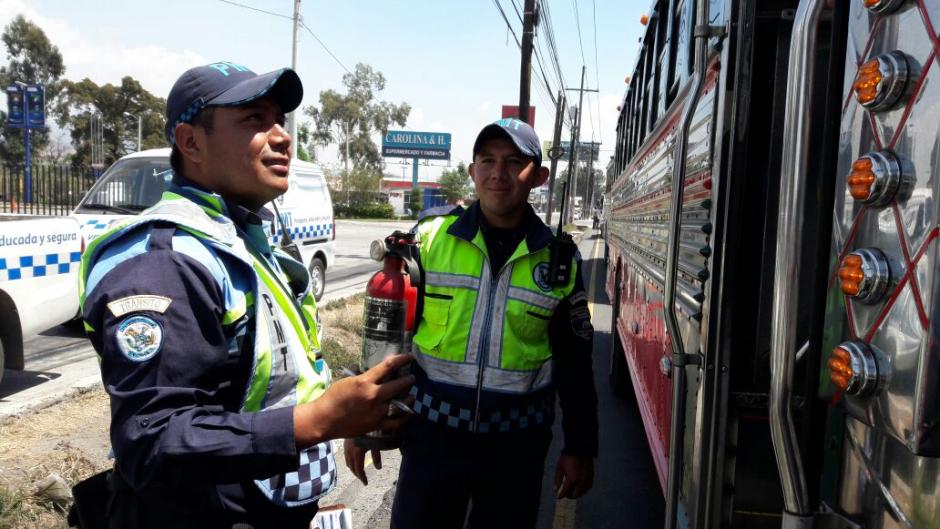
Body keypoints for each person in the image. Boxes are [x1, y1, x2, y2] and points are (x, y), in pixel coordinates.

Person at [76, 61, 414, 529]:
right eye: (254, 119)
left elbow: (270, 376)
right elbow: (152, 442)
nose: (281, 136)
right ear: (191, 142)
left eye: (279, 119)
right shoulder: (165, 262)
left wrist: (348, 405)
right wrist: (320, 420)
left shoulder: (240, 238)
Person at [345, 118, 599, 528]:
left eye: (513, 162)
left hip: (517, 451)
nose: (498, 173)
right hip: (432, 441)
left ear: (538, 176)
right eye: (487, 160)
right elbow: (388, 341)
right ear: (472, 170)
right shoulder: (428, 239)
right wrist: (366, 424)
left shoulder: (559, 261)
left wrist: (580, 446)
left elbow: (575, 364)